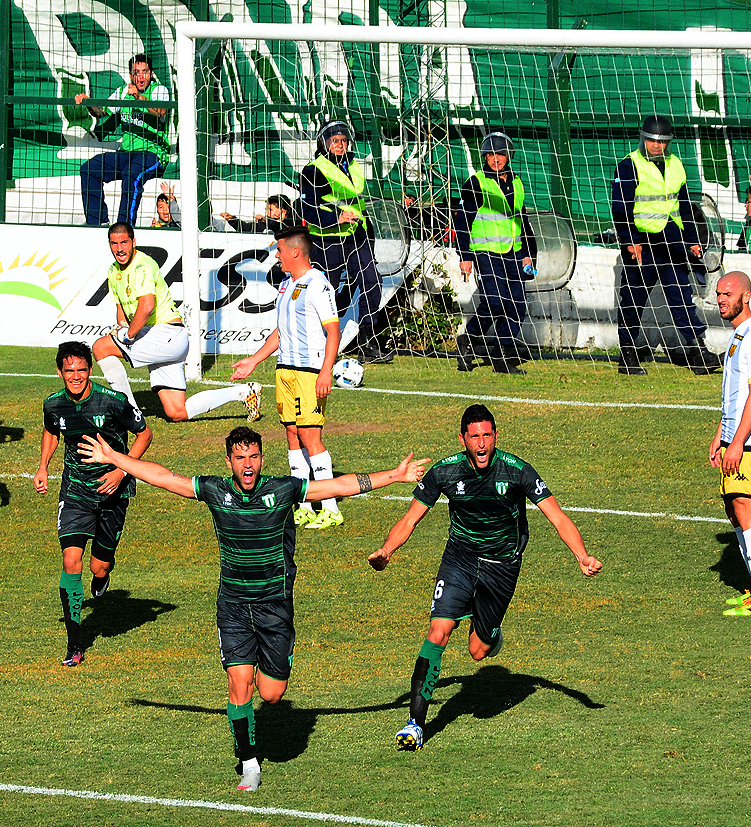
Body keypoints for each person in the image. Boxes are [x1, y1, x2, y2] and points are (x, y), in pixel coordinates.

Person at [79, 426, 428, 791]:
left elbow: (338, 487)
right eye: (240, 458)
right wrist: (114, 458)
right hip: (232, 607)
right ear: (229, 461)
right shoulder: (216, 490)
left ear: (262, 459)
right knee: (238, 685)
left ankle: (272, 682)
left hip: (274, 608)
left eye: (254, 457)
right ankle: (249, 762)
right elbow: (165, 478)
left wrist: (395, 475)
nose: (248, 465)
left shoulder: (282, 490)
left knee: (272, 694)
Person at [369, 404, 603, 751]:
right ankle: (415, 724)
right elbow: (410, 519)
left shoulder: (517, 470)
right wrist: (387, 551)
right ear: (463, 439)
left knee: (478, 651)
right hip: (459, 561)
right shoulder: (445, 472)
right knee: (438, 631)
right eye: (474, 437)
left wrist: (581, 555)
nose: (481, 444)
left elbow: (557, 516)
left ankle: (491, 634)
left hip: (501, 567)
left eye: (487, 436)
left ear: (496, 436)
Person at [35, 341, 152, 667]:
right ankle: (75, 643)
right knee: (71, 561)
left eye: (81, 370)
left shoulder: (113, 402)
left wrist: (120, 470)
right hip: (75, 493)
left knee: (99, 566)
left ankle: (101, 580)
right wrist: (43, 466)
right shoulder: (53, 405)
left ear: (90, 369)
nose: (75, 376)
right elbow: (51, 432)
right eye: (69, 371)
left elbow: (145, 434)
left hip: (113, 493)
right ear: (60, 372)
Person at [229, 227, 345, 531]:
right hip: (285, 369)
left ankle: (331, 507)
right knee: (292, 435)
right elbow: (280, 333)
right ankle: (304, 506)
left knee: (310, 437)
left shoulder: (318, 285)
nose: (276, 256)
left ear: (295, 252)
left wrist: (326, 371)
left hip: (309, 372)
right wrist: (253, 361)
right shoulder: (285, 285)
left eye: (280, 250)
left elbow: (333, 330)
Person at [90, 222, 263, 422]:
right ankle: (244, 392)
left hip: (165, 334)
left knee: (100, 347)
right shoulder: (113, 271)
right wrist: (123, 327)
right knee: (176, 411)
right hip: (164, 340)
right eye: (114, 243)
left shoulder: (143, 265)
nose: (119, 249)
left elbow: (146, 306)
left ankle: (129, 412)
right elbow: (121, 310)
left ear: (133, 242)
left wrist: (128, 335)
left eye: (124, 242)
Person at [611, 115, 720, 376]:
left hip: (671, 242)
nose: (656, 146)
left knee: (681, 297)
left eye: (661, 142)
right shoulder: (629, 166)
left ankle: (697, 352)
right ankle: (627, 354)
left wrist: (692, 240)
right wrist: (630, 242)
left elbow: (684, 208)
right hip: (642, 243)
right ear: (643, 139)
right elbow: (620, 209)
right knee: (633, 300)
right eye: (651, 141)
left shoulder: (676, 166)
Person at [707, 271, 751, 617]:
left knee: (747, 510)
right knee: (733, 508)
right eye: (718, 294)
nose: (721, 299)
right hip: (734, 438)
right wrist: (721, 434)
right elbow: (733, 394)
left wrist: (736, 443)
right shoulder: (738, 335)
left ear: (746, 296)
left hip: (749, 441)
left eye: (728, 294)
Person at [299, 120, 392, 364]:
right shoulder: (313, 170)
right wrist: (336, 218)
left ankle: (368, 340)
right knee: (325, 293)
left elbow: (357, 203)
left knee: (372, 281)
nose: (340, 145)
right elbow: (308, 211)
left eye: (343, 140)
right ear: (324, 143)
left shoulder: (353, 165)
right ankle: (316, 341)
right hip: (328, 242)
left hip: (357, 237)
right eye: (334, 141)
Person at [453, 132, 535, 376]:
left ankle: (501, 354)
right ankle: (470, 339)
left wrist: (528, 253)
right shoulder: (477, 182)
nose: (495, 158)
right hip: (486, 251)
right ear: (484, 157)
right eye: (491, 154)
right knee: (496, 302)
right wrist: (465, 256)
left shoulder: (517, 182)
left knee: (518, 305)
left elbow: (523, 220)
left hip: (513, 252)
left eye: (500, 154)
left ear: (509, 156)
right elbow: (462, 221)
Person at [74, 53, 170, 226]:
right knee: (89, 169)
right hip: (126, 153)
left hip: (152, 153)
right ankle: (98, 223)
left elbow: (160, 111)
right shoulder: (123, 91)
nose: (141, 76)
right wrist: (88, 102)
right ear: (130, 75)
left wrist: (138, 98)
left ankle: (125, 227)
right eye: (136, 72)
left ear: (151, 73)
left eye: (145, 72)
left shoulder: (159, 90)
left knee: (132, 174)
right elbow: (101, 112)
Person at [220, 194, 295, 234]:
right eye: (266, 210)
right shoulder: (264, 224)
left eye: (270, 210)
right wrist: (232, 220)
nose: (266, 213)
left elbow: (279, 227)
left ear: (283, 211)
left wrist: (265, 220)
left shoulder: (293, 224)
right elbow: (246, 228)